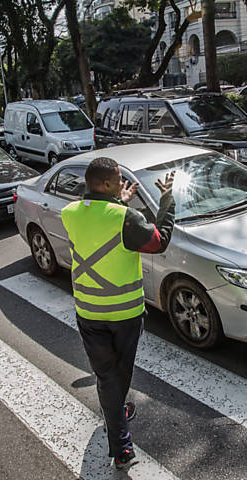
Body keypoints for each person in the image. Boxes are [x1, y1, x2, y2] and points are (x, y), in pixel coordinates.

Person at [60, 157, 176, 470]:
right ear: (108, 184)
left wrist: (117, 202)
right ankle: (122, 448)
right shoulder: (127, 218)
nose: (121, 183)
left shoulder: (69, 213)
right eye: (117, 180)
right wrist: (167, 200)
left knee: (107, 376)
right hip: (125, 314)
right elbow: (159, 241)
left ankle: (116, 412)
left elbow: (97, 222)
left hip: (89, 311)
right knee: (116, 376)